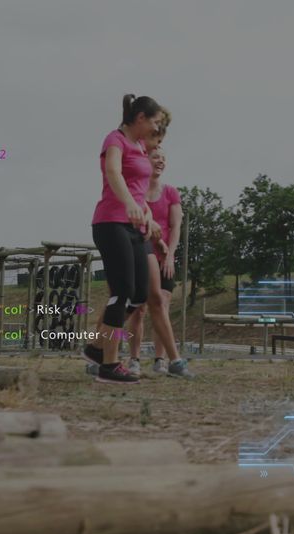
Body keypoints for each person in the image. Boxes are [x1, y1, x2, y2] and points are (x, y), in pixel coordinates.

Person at [83, 94, 165, 384]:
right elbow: (113, 172)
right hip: (111, 222)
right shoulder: (114, 140)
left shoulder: (141, 147)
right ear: (140, 118)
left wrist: (147, 215)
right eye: (154, 122)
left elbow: (138, 188)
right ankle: (109, 364)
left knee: (139, 295)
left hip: (136, 227)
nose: (157, 129)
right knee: (122, 292)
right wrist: (130, 203)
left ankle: (96, 348)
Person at [125, 139, 195, 378]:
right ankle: (133, 359)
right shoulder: (135, 191)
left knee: (162, 306)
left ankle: (160, 359)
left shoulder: (171, 193)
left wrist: (170, 255)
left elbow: (175, 227)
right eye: (156, 157)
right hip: (140, 253)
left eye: (163, 159)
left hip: (163, 256)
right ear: (145, 161)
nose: (161, 162)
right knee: (138, 310)